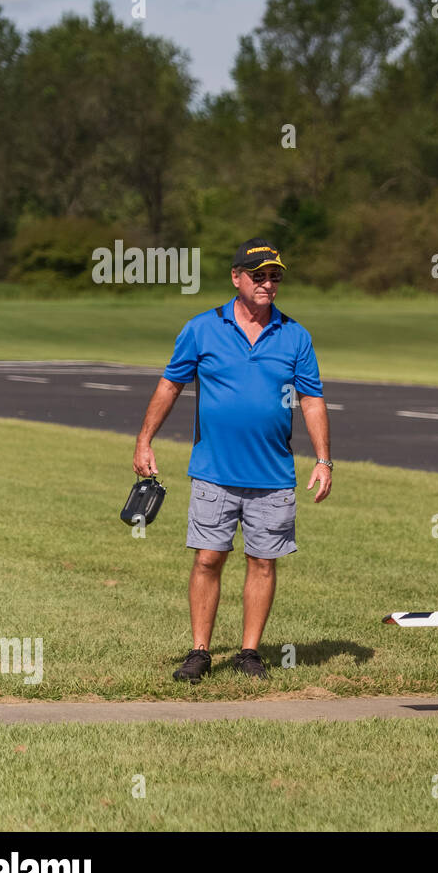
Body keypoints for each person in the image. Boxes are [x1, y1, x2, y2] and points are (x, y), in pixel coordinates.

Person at [132, 239, 332, 682]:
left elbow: (312, 399)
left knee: (263, 562)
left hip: (274, 474)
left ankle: (249, 652)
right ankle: (200, 651)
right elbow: (170, 386)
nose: (267, 283)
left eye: (274, 276)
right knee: (208, 559)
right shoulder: (202, 329)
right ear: (236, 278)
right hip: (213, 471)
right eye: (258, 275)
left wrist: (323, 460)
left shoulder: (295, 335)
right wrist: (145, 440)